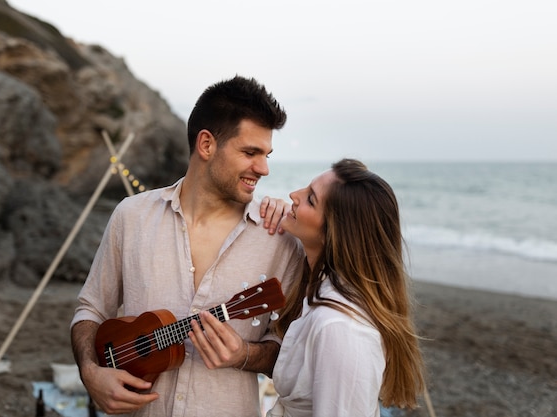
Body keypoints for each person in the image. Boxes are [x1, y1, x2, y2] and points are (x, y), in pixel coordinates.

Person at [70, 75, 304, 417]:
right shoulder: (131, 216)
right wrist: (90, 373)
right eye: (250, 152)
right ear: (206, 145)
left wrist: (244, 355)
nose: (264, 168)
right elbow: (90, 310)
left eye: (266, 154)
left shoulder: (279, 238)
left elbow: (293, 352)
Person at [267, 158, 425, 417]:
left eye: (310, 199)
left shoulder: (341, 328)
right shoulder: (319, 292)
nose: (293, 195)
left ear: (336, 232)